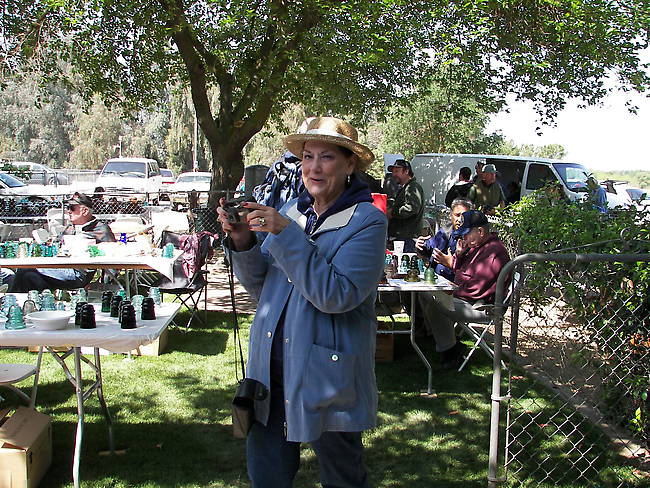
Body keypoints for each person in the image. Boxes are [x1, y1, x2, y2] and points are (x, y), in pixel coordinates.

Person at [218, 116, 387, 488]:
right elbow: (263, 289)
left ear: (350, 165)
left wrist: (285, 233)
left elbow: (337, 295)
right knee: (267, 476)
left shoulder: (367, 222)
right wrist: (243, 241)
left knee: (342, 477)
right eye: (307, 156)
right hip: (270, 370)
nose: (314, 167)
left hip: (326, 374)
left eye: (327, 157)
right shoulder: (293, 211)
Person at [418, 210, 510, 369]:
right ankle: (446, 345)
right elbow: (462, 274)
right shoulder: (478, 246)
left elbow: (474, 290)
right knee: (426, 294)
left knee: (433, 298)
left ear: (480, 231)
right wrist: (459, 257)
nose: (463, 238)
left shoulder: (493, 252)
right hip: (470, 300)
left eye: (466, 234)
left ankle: (450, 350)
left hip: (484, 307)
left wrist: (450, 290)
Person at [10, 193, 116, 292]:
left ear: (85, 211)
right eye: (67, 208)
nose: (68, 211)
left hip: (78, 273)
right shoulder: (70, 228)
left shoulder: (100, 229)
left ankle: (9, 298)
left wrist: (104, 284)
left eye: (72, 208)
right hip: (60, 267)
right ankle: (29, 303)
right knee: (30, 277)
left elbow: (114, 257)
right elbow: (56, 245)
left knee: (25, 268)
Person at [415, 198, 472, 282]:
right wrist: (421, 245)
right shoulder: (445, 232)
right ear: (451, 215)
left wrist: (451, 263)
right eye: (457, 215)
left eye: (464, 216)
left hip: (457, 284)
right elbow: (430, 247)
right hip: (436, 280)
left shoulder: (473, 238)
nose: (460, 220)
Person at [386, 159, 424, 253]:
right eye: (393, 172)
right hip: (403, 237)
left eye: (396, 171)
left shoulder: (413, 187)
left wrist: (392, 213)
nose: (393, 174)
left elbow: (412, 208)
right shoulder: (406, 187)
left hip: (407, 238)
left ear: (406, 171)